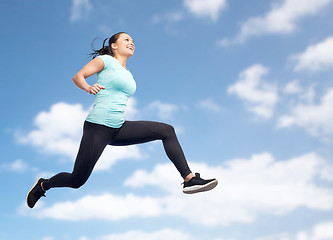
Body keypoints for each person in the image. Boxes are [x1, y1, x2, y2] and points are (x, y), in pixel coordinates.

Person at [27, 32, 218, 208]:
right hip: (98, 127)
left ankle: (189, 179)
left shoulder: (128, 74)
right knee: (77, 180)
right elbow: (78, 76)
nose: (131, 42)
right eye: (126, 39)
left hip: (118, 128)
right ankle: (43, 185)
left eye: (133, 41)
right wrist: (87, 87)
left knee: (166, 130)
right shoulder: (105, 61)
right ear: (114, 45)